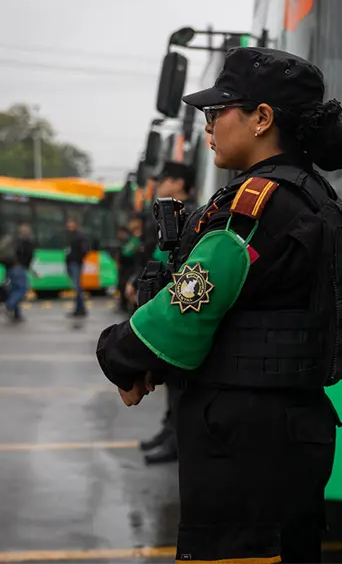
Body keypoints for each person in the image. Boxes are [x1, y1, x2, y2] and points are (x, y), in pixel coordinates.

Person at [95, 46, 342, 563]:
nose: (208, 125)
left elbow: (182, 312)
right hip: (288, 431)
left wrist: (119, 355)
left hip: (244, 444)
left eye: (218, 111)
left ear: (262, 118)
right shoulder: (315, 197)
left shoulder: (256, 207)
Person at [138, 160, 198, 465]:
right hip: (163, 299)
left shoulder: (193, 215)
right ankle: (169, 430)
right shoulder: (171, 213)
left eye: (165, 180)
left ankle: (176, 439)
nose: (159, 185)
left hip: (177, 305)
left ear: (179, 183)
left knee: (178, 381)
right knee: (170, 379)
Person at [1, 222, 36, 323]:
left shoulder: (13, 240)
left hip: (10, 268)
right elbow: (29, 256)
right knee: (23, 289)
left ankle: (17, 315)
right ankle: (9, 305)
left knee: (14, 290)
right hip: (20, 269)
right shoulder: (26, 242)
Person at [64, 218, 89, 318]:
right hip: (71, 263)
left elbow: (85, 250)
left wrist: (78, 258)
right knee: (76, 287)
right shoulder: (70, 235)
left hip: (76, 263)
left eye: (71, 224)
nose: (69, 226)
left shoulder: (79, 236)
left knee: (77, 287)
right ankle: (79, 308)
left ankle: (80, 308)